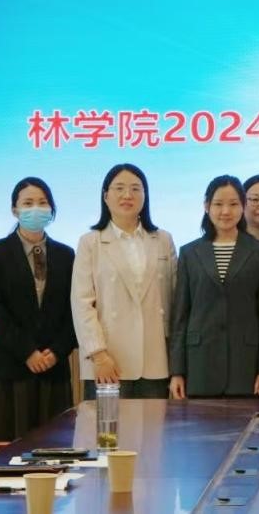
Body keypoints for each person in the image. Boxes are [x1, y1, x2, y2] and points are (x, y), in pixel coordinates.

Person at [0, 177, 77, 440]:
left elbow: (74, 311)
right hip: (8, 368)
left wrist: (56, 352)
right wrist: (28, 352)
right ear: (15, 210)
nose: (36, 208)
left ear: (51, 210)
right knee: (5, 449)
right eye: (28, 203)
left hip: (53, 370)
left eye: (43, 203)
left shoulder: (66, 255)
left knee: (54, 447)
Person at [71, 163, 177, 399]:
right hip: (108, 361)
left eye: (135, 189)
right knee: (107, 424)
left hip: (155, 359)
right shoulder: (91, 242)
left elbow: (175, 298)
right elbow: (82, 303)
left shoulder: (163, 240)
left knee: (153, 424)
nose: (127, 195)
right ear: (105, 196)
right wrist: (99, 355)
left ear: (145, 196)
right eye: (119, 188)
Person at [170, 175, 259, 398]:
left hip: (245, 364)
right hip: (199, 363)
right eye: (218, 204)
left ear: (243, 206)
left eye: (233, 204)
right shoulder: (189, 253)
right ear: (206, 206)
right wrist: (177, 371)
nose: (226, 211)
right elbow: (181, 315)